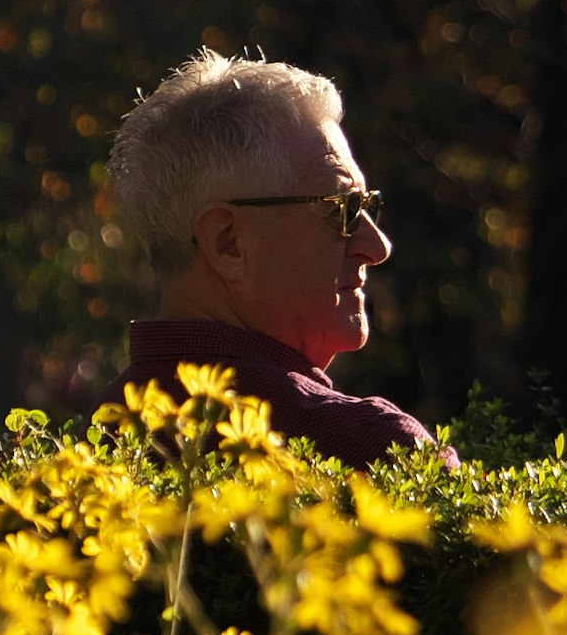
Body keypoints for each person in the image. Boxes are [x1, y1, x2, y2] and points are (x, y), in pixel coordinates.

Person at [105, 49, 449, 464]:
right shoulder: (368, 449)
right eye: (340, 210)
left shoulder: (89, 447)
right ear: (227, 242)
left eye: (366, 207)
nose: (377, 247)